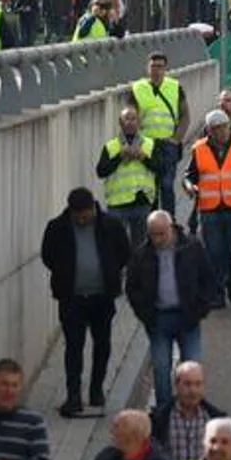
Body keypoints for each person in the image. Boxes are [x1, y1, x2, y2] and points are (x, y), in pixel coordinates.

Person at [40, 187, 131, 416]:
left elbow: (123, 253)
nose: (82, 219)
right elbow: (48, 256)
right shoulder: (57, 228)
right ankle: (73, 396)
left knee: (102, 344)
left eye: (85, 214)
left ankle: (96, 389)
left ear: (93, 208)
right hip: (72, 298)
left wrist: (109, 273)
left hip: (102, 296)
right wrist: (65, 274)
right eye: (77, 215)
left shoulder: (110, 225)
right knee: (73, 347)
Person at [126, 210, 216, 406]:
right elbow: (132, 287)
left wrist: (201, 308)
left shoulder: (191, 247)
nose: (158, 239)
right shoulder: (142, 254)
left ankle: (191, 409)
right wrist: (145, 314)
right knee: (161, 367)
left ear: (171, 229)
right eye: (153, 234)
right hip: (159, 318)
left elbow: (208, 278)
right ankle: (164, 412)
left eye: (162, 234)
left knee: (191, 367)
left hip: (188, 317)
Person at [183, 109, 231, 307]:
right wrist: (190, 186)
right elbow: (189, 175)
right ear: (209, 131)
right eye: (215, 129)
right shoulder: (199, 149)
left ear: (229, 127)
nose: (220, 132)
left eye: (223, 127)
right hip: (210, 208)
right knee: (214, 251)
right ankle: (217, 292)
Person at [130, 52, 191, 216]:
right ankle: (153, 225)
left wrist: (176, 139)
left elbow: (185, 115)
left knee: (167, 185)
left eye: (160, 67)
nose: (156, 71)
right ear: (147, 68)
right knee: (150, 189)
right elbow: (129, 117)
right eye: (153, 66)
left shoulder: (175, 87)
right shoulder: (138, 88)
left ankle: (170, 222)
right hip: (146, 145)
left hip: (167, 145)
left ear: (166, 69)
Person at [97, 107, 159, 248]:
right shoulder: (111, 146)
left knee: (140, 247)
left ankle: (136, 270)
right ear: (120, 122)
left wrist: (143, 157)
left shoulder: (149, 144)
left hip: (141, 201)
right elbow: (101, 171)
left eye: (133, 119)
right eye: (127, 119)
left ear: (139, 122)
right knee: (115, 245)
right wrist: (119, 157)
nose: (130, 122)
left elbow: (160, 167)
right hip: (117, 204)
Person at [150, 361, 227, 460]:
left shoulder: (215, 419)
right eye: (187, 384)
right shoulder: (159, 419)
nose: (193, 391)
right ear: (176, 385)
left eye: (198, 384)